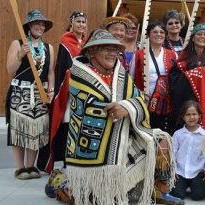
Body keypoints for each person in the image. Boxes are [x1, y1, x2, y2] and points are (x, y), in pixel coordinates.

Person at [65, 29, 180, 205]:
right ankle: (71, 186)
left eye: (114, 49)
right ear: (91, 52)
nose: (112, 54)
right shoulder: (80, 74)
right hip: (92, 144)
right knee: (94, 200)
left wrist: (127, 107)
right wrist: (120, 108)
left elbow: (139, 99)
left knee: (162, 140)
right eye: (106, 48)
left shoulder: (120, 74)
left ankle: (156, 189)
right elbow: (89, 108)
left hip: (123, 133)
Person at [5, 9, 55, 180]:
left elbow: (50, 73)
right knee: (19, 129)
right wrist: (20, 55)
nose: (40, 27)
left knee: (36, 129)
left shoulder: (49, 48)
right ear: (29, 26)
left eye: (42, 24)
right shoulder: (17, 43)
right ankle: (20, 168)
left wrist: (51, 91)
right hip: (20, 92)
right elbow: (10, 69)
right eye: (36, 23)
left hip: (40, 93)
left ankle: (30, 166)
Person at [37, 11, 87, 173]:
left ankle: (78, 161)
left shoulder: (87, 42)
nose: (81, 25)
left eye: (83, 22)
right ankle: (66, 161)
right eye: (78, 21)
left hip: (85, 91)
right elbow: (64, 68)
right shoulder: (66, 41)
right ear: (71, 23)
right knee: (67, 126)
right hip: (69, 90)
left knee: (81, 127)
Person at [170, 23, 205, 131]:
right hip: (188, 100)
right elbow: (174, 79)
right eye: (199, 34)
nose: (202, 37)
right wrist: (193, 75)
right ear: (193, 38)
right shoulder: (183, 57)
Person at [133, 21, 177, 134]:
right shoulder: (139, 54)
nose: (159, 34)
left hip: (166, 102)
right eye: (155, 32)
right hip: (146, 100)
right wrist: (140, 94)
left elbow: (177, 77)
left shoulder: (172, 55)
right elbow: (131, 78)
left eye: (162, 32)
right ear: (149, 35)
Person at [170, 100, 205, 201]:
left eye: (194, 114)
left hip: (196, 172)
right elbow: (173, 152)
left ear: (199, 115)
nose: (191, 117)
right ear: (183, 117)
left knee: (198, 196)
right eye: (188, 114)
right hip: (180, 172)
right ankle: (183, 185)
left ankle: (195, 185)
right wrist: (173, 169)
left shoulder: (204, 135)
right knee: (177, 194)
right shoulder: (178, 134)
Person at [122, 13, 140, 77]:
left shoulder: (142, 46)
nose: (130, 30)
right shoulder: (115, 45)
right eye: (127, 27)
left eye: (133, 28)